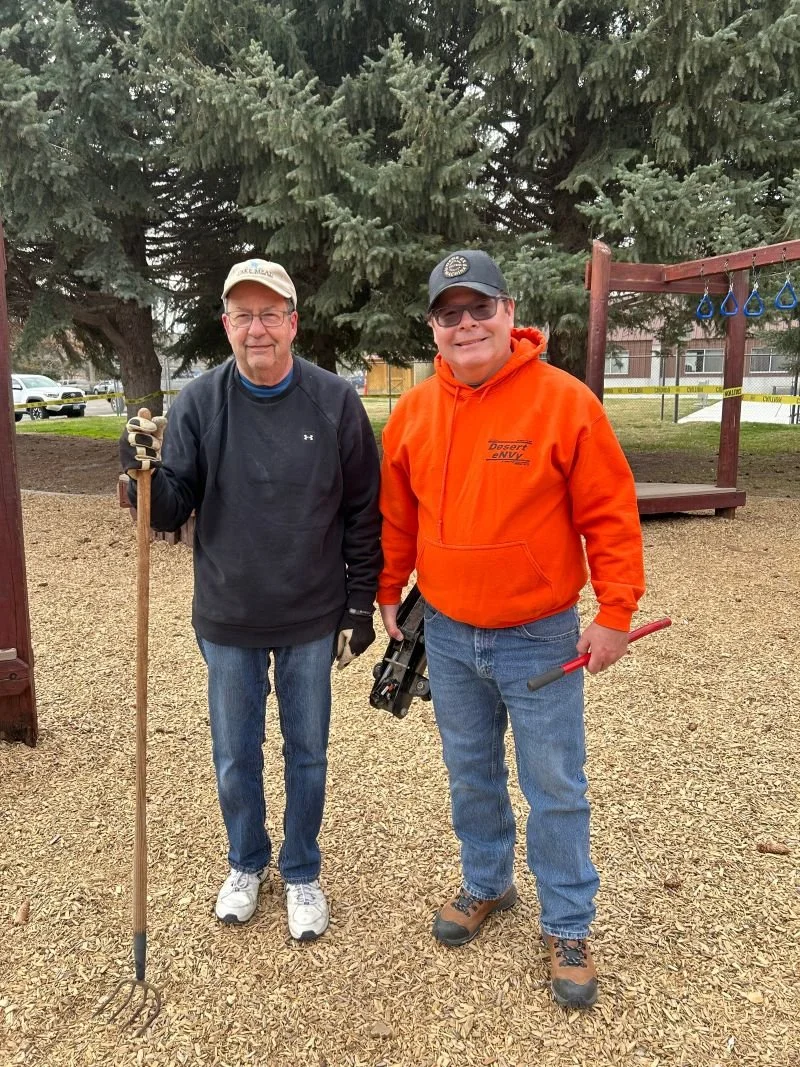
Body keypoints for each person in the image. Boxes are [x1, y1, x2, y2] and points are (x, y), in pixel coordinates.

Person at [377, 250, 645, 1008]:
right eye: (449, 313)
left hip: (540, 637)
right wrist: (389, 589)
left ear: (508, 312)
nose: (466, 324)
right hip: (448, 633)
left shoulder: (565, 403)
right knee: (470, 771)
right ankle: (487, 881)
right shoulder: (413, 412)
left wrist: (615, 612)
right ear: (434, 327)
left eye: (479, 308)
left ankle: (568, 924)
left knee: (554, 784)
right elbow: (397, 515)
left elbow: (610, 514)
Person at [121, 258, 381, 940]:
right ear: (226, 324)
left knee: (307, 751)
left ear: (293, 323)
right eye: (243, 316)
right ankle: (245, 861)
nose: (256, 328)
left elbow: (363, 509)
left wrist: (359, 605)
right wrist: (141, 473)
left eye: (270, 314)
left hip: (310, 613)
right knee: (236, 752)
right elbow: (172, 504)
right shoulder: (201, 401)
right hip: (228, 613)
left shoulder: (334, 401)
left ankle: (301, 871)